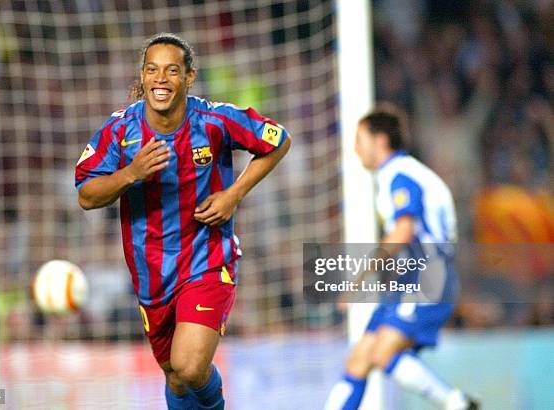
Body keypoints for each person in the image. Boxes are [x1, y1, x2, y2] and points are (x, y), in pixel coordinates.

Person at [75, 33, 291, 410]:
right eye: (152, 70)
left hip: (207, 258)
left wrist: (233, 194)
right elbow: (86, 195)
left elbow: (278, 140)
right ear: (142, 77)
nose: (161, 79)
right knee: (174, 377)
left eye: (172, 70)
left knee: (190, 367)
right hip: (151, 272)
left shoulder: (214, 120)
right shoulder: (119, 130)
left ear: (188, 78)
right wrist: (130, 174)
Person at [324, 106, 478, 410]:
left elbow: (403, 231)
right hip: (410, 278)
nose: (355, 148)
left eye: (359, 139)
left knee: (382, 353)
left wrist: (359, 278)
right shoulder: (402, 173)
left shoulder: (399, 174)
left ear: (380, 140)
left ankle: (456, 403)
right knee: (359, 359)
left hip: (427, 275)